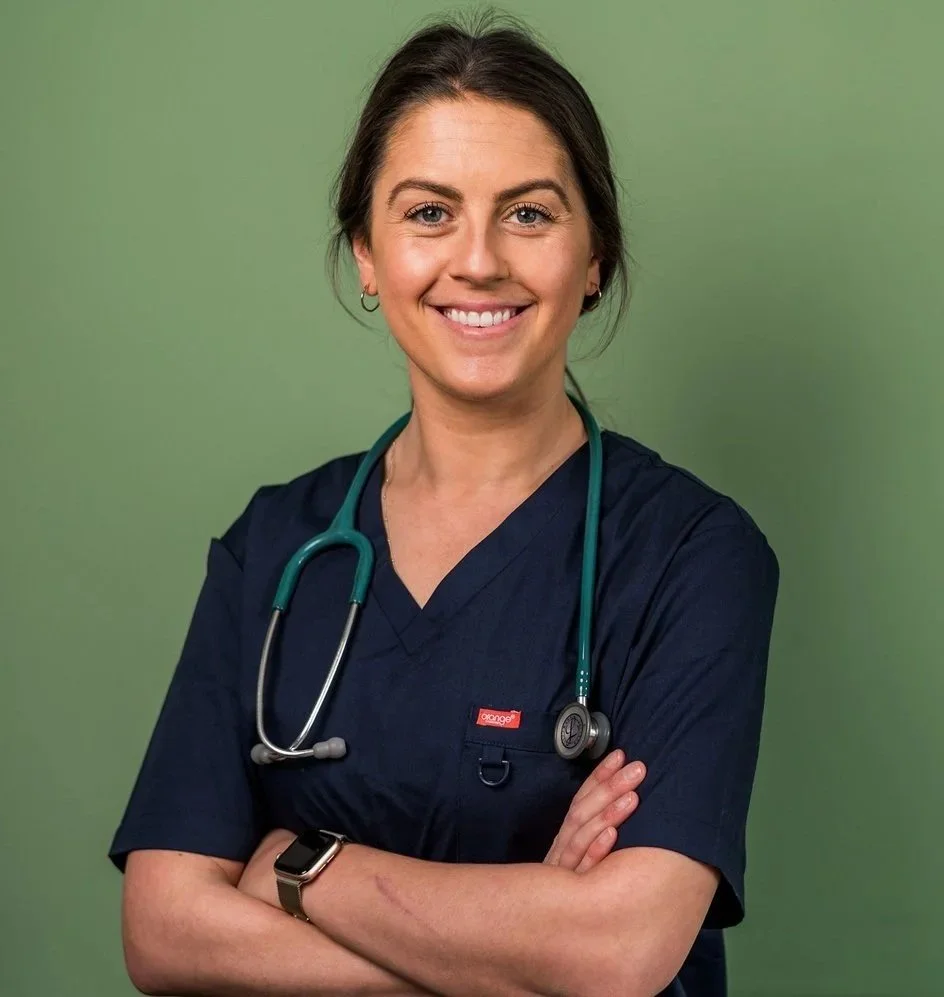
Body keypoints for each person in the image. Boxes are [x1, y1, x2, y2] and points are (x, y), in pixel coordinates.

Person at [109, 11, 780, 997]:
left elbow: (616, 952)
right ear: (369, 257)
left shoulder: (691, 553)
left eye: (528, 213)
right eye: (428, 212)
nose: (477, 259)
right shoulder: (276, 548)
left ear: (591, 258)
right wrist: (513, 956)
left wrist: (297, 867)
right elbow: (164, 931)